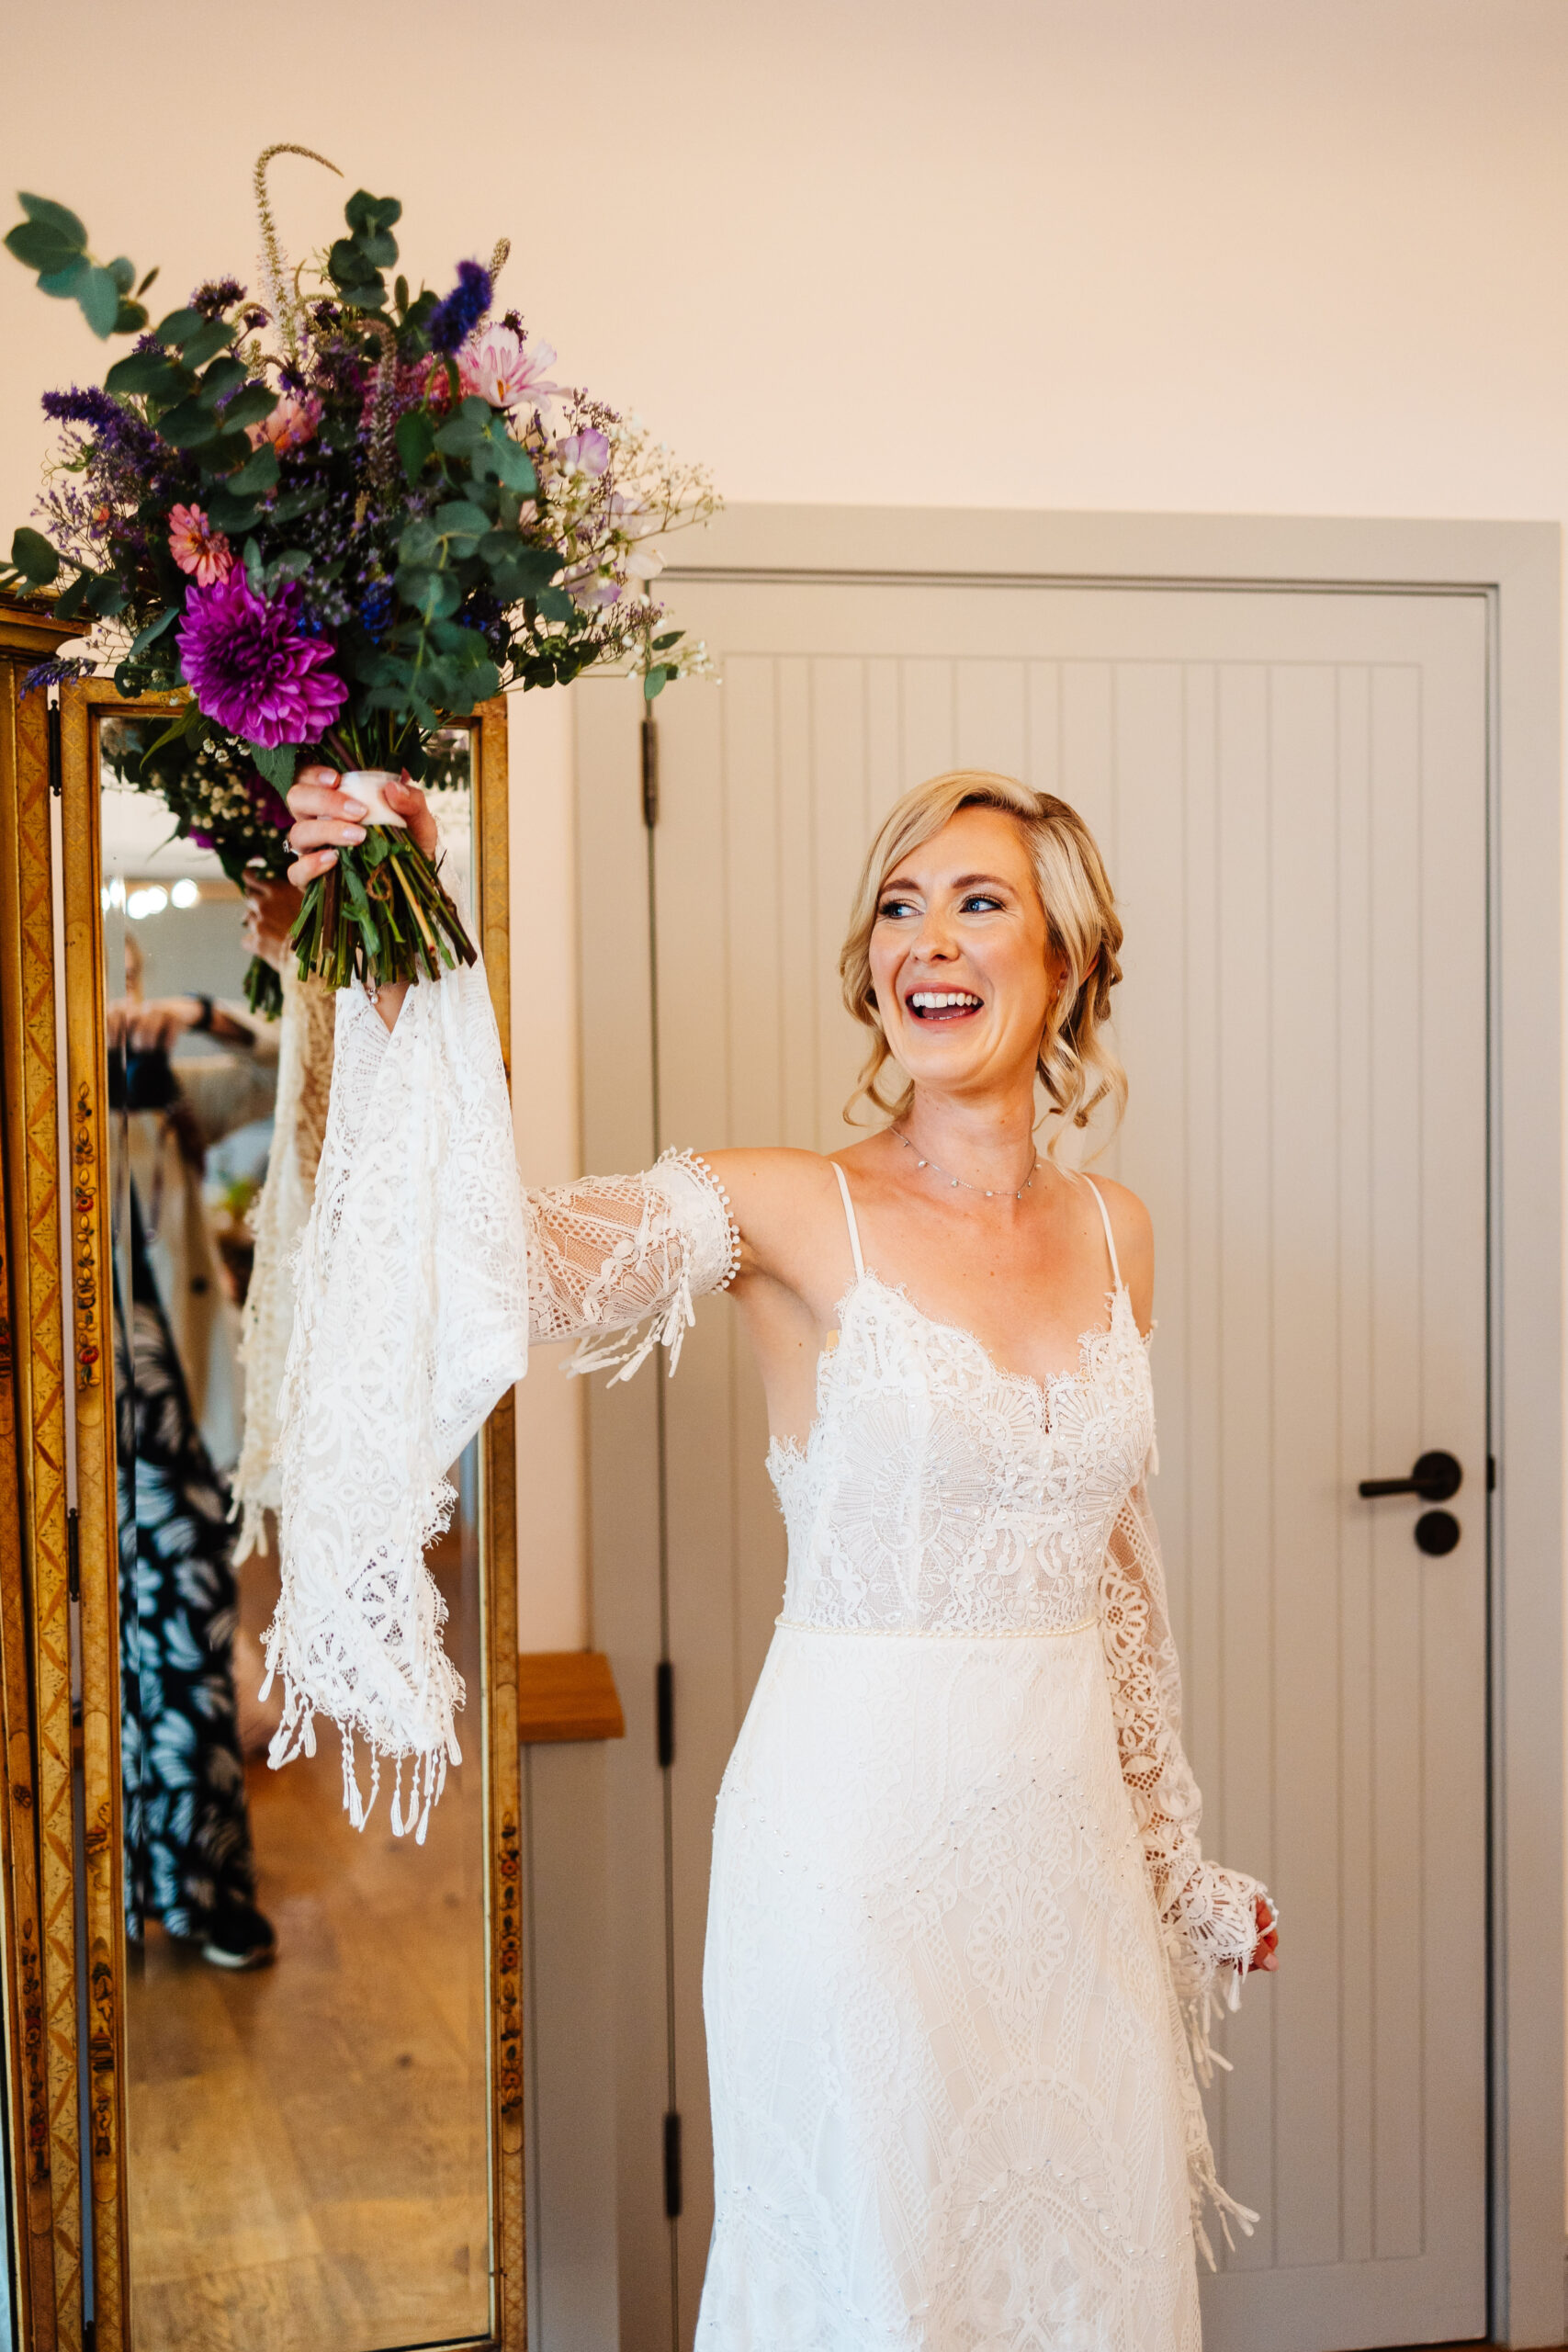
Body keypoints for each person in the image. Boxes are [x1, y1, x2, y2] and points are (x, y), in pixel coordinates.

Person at [285, 761, 1280, 2347]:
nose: (927, 942)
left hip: (1069, 1871)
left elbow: (1111, 1567)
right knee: (877, 2280)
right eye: (899, 907)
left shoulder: (1117, 1232)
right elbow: (502, 1264)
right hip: (852, 1865)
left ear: (1070, 962)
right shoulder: (784, 1210)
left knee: (1084, 2279)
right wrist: (409, 966)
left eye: (978, 903)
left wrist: (1176, 1866)